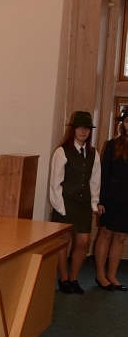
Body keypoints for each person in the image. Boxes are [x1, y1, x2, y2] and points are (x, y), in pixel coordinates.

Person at [50, 110, 100, 294]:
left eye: (87, 128)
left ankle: (74, 277)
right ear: (73, 129)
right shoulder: (62, 151)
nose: (83, 131)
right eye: (79, 127)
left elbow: (95, 181)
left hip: (83, 204)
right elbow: (55, 182)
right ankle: (63, 277)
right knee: (63, 241)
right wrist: (59, 207)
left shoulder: (94, 154)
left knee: (83, 243)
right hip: (65, 203)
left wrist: (94, 203)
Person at [95, 106, 128, 291]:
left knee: (121, 237)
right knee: (106, 234)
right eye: (127, 121)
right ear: (123, 124)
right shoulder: (112, 144)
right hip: (111, 198)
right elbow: (104, 173)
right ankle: (101, 275)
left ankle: (112, 275)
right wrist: (101, 201)